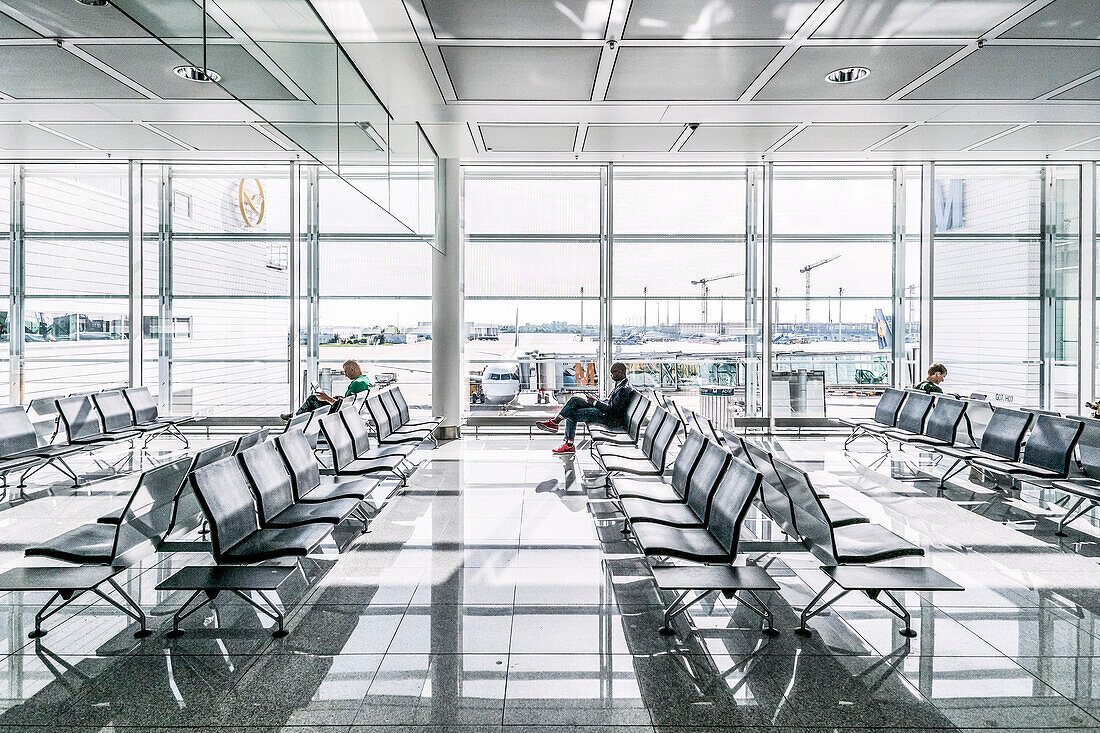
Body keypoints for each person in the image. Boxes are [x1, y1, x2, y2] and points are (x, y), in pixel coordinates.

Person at [536, 362, 634, 454]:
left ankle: (568, 443)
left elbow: (613, 410)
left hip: (609, 418)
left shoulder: (623, 389)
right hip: (606, 412)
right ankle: (555, 423)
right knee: (574, 400)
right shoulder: (621, 385)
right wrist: (597, 400)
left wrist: (595, 402)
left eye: (613, 373)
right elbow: (611, 403)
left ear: (620, 372)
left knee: (571, 413)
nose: (611, 376)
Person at [282, 359, 372, 419]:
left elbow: (344, 408)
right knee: (314, 404)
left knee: (312, 399)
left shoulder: (357, 384)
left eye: (346, 371)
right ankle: (298, 419)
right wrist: (341, 399)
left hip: (343, 415)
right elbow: (349, 403)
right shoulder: (364, 380)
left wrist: (327, 398)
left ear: (352, 369)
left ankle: (295, 419)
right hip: (353, 413)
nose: (345, 374)